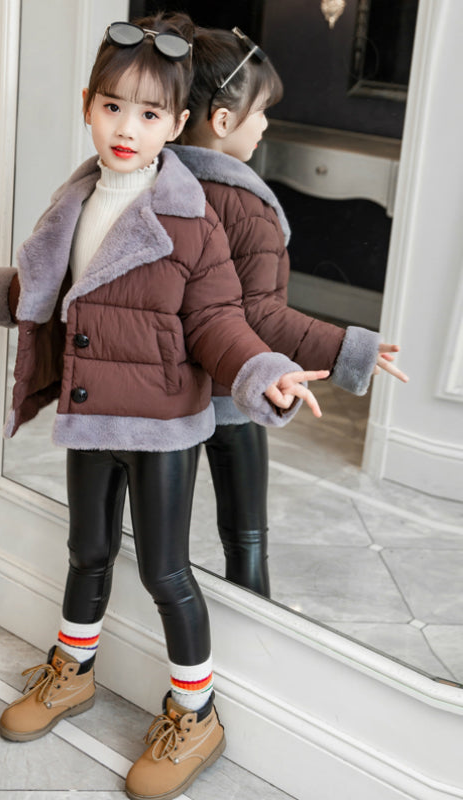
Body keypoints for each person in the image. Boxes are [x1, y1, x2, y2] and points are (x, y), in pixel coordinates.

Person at [0, 14, 329, 800]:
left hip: (162, 426)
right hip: (92, 411)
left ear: (178, 122)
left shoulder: (191, 217)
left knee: (166, 571)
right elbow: (67, 283)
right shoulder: (76, 198)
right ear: (88, 106)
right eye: (113, 107)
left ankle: (195, 714)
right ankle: (72, 671)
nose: (128, 129)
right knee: (88, 550)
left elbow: (218, 320)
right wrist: (2, 290)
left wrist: (264, 371)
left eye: (150, 113)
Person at [171, 25, 408, 598]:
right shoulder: (247, 208)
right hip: (236, 391)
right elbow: (260, 316)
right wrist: (351, 349)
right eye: (260, 112)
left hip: (167, 392)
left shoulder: (151, 184)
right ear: (222, 120)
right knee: (246, 537)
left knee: (164, 543)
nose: (265, 125)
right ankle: (254, 623)